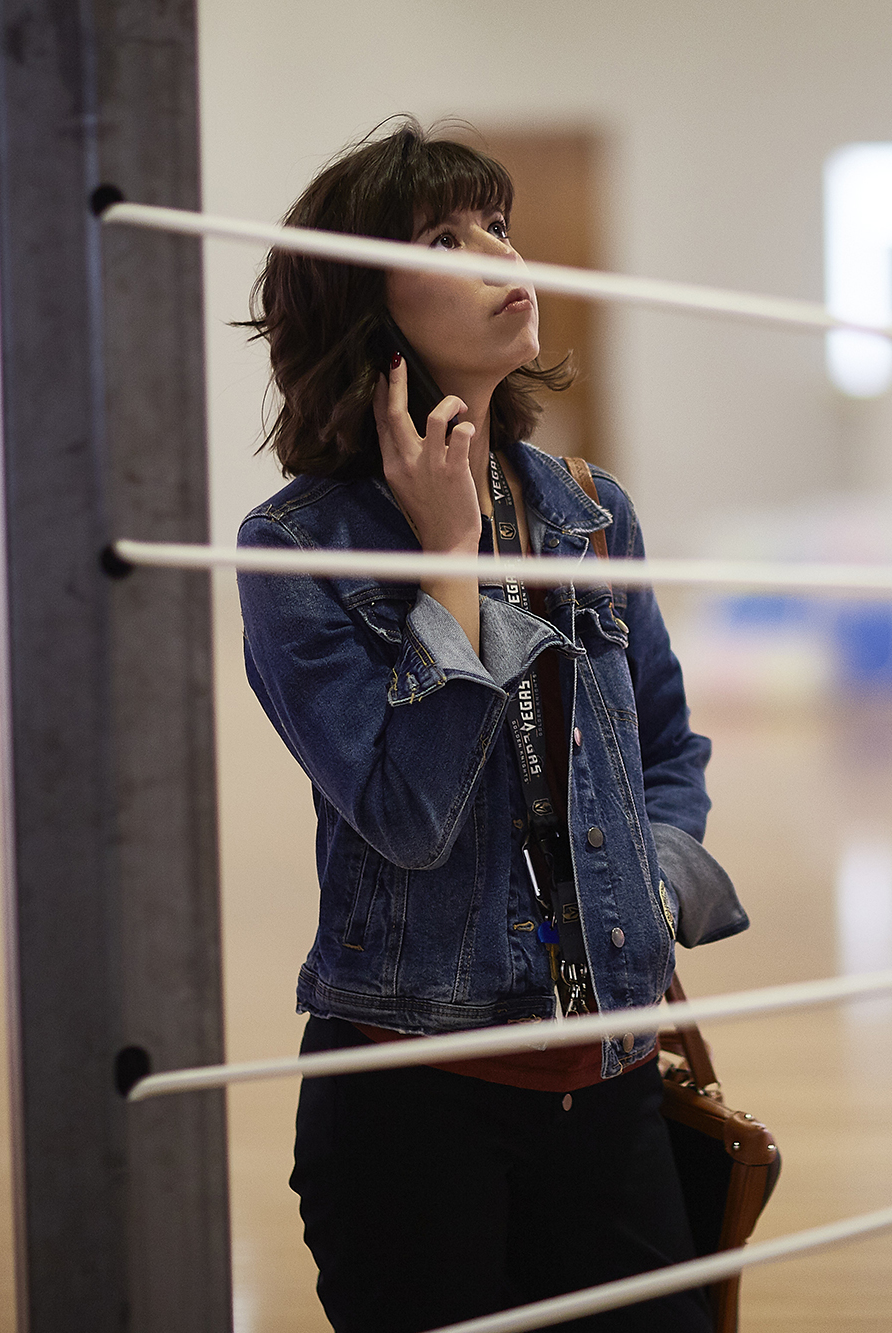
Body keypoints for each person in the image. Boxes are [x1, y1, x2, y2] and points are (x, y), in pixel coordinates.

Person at [235, 118, 742, 1333]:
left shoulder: (586, 510)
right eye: (444, 237)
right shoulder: (294, 547)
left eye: (498, 224)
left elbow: (667, 746)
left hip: (610, 1088)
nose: (497, 254)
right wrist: (449, 559)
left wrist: (647, 895)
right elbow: (409, 811)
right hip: (412, 1097)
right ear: (366, 302)